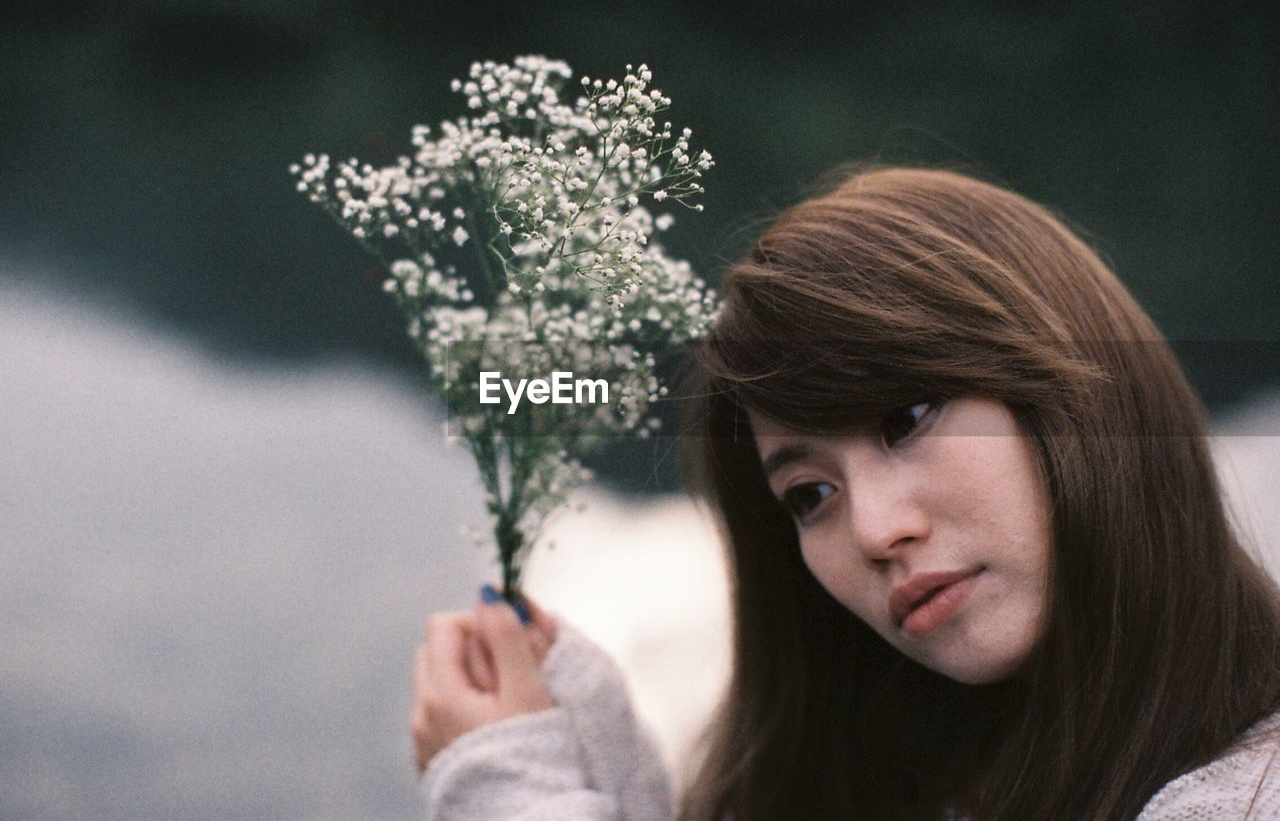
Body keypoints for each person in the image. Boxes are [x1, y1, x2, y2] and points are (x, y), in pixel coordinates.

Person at [409, 167, 1280, 820]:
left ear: (1070, 390)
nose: (873, 529)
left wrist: (516, 794)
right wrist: (606, 777)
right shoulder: (970, 781)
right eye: (810, 494)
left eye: (906, 418)